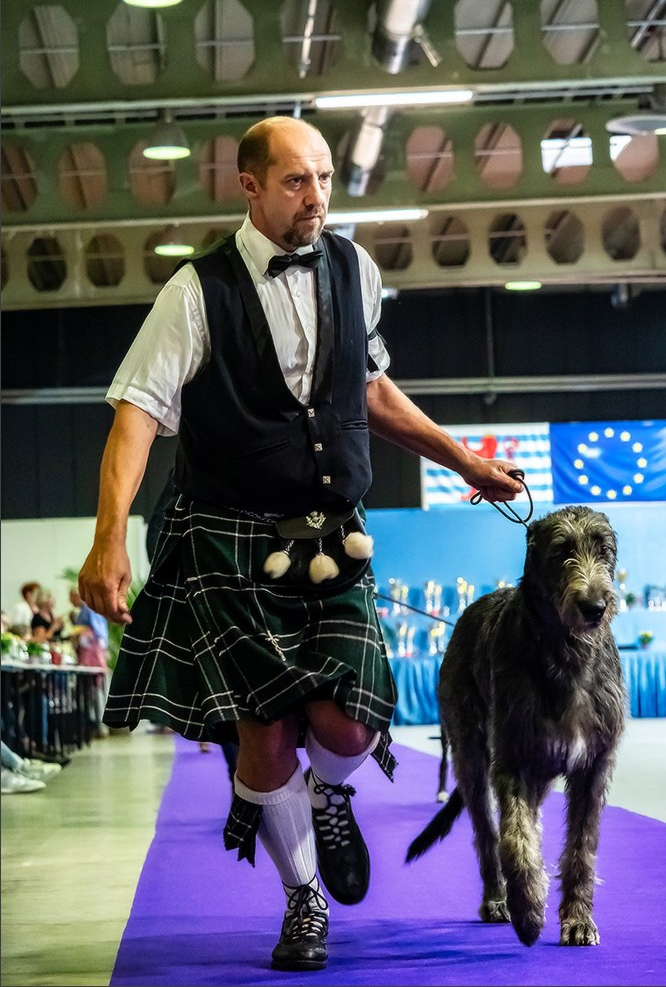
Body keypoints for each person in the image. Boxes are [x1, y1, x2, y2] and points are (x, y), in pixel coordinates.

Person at [78, 115, 522, 974]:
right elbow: (136, 416)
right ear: (248, 186)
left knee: (351, 727)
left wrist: (465, 457)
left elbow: (371, 386)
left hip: (335, 539)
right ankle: (303, 900)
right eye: (295, 181)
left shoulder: (356, 267)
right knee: (266, 741)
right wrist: (107, 542)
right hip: (228, 544)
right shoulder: (194, 291)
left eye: (324, 177)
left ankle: (329, 795)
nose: (316, 196)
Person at [69, 586, 111, 738]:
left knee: (96, 691)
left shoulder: (89, 609)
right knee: (94, 692)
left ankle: (100, 725)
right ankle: (96, 725)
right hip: (93, 655)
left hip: (92, 656)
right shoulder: (87, 610)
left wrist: (78, 633)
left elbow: (96, 632)